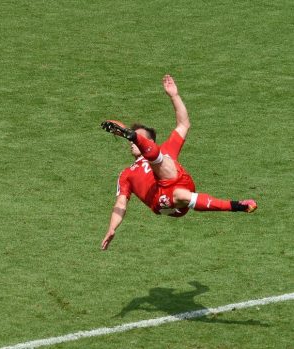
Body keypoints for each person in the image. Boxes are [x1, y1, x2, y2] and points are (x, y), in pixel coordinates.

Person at [99, 74, 257, 251]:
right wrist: (112, 228)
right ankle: (236, 205)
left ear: (151, 142)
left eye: (138, 139)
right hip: (161, 201)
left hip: (179, 181)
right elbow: (120, 204)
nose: (132, 143)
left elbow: (183, 124)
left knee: (169, 170)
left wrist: (174, 96)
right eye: (132, 139)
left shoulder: (166, 149)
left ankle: (238, 207)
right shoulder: (126, 174)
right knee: (178, 193)